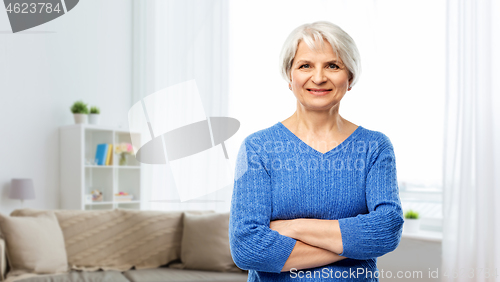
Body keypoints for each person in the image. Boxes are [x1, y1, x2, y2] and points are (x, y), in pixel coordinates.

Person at [228, 20, 404, 281]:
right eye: (305, 65)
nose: (319, 77)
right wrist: (353, 244)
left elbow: (387, 230)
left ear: (350, 77)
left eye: (333, 65)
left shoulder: (374, 147)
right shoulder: (258, 148)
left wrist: (293, 227)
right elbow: (247, 249)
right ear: (290, 76)